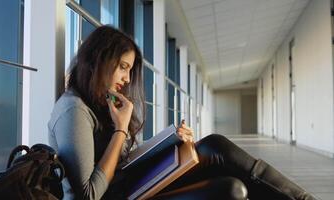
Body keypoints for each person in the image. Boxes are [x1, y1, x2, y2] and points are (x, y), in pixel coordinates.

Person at [48, 25, 316, 200]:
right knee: (231, 189)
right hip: (120, 196)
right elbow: (88, 195)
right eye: (122, 67)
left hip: (129, 187)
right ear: (98, 60)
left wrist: (170, 145)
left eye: (130, 70)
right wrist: (121, 128)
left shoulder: (101, 103)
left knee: (213, 146)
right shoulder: (74, 109)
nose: (128, 79)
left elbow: (124, 163)